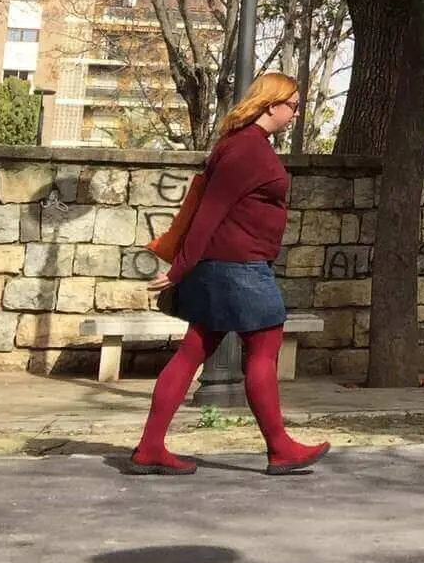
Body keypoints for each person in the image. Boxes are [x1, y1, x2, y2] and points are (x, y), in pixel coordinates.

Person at [130, 71, 330, 476]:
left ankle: (150, 448)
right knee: (264, 349)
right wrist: (180, 267)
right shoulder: (247, 150)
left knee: (193, 351)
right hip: (239, 270)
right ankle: (281, 448)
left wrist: (187, 266)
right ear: (271, 104)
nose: (295, 113)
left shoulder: (241, 144)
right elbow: (209, 213)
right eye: (293, 105)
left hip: (228, 266)